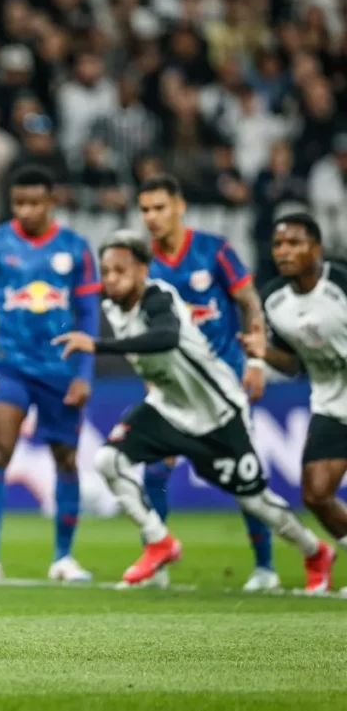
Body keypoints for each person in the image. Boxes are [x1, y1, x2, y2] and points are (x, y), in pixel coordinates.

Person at [53, 232, 335, 591]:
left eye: (119, 271)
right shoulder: (111, 305)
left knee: (254, 500)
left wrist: (97, 344)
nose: (110, 279)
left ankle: (314, 551)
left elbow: (166, 337)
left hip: (216, 413)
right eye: (105, 271)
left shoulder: (159, 298)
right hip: (168, 408)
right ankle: (159, 541)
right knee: (109, 460)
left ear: (142, 270)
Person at [0, 165, 101, 583]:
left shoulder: (75, 247)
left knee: (66, 458)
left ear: (52, 202)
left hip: (60, 368)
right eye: (19, 202)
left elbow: (89, 311)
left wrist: (84, 372)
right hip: (9, 365)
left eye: (35, 202)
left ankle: (64, 557)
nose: (27, 210)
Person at [136, 174, 276, 591]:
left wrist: (257, 361)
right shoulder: (146, 264)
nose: (152, 217)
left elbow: (249, 301)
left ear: (179, 206)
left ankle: (266, 567)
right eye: (144, 210)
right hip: (173, 387)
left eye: (159, 208)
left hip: (223, 383)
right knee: (155, 472)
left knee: (243, 477)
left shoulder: (214, 250)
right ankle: (158, 561)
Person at [240, 213, 347, 591]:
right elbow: (293, 364)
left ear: (316, 249)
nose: (284, 252)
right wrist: (264, 353)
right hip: (332, 403)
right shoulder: (274, 298)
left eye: (295, 243)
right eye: (279, 245)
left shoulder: (341, 284)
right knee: (316, 494)